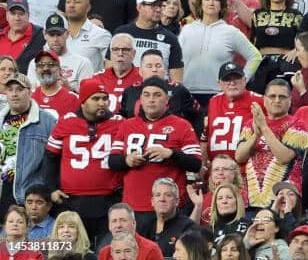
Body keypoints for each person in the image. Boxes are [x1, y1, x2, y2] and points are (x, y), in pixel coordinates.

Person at [109, 77, 202, 221]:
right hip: (134, 206)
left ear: (167, 100)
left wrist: (171, 154)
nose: (151, 99)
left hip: (168, 208)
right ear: (140, 99)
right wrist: (127, 160)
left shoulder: (182, 125)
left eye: (157, 95)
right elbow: (112, 161)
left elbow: (196, 164)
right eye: (147, 95)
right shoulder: (127, 125)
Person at [43, 78, 123, 244]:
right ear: (83, 101)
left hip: (108, 200)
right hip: (72, 201)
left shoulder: (119, 123)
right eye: (96, 98)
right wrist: (51, 189)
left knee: (106, 250)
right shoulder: (66, 121)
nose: (102, 103)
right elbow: (50, 157)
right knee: (73, 251)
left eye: (104, 98)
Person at [179, 0, 261, 108]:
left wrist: (241, 81)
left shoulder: (231, 32)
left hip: (218, 95)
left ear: (222, 5)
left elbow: (255, 56)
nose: (211, 3)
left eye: (216, 0)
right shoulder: (186, 30)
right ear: (200, 3)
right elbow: (175, 59)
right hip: (187, 93)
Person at [235, 79, 308, 208]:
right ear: (264, 99)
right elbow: (239, 157)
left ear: (290, 100)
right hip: (249, 200)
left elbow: (284, 157)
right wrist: (256, 136)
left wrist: (264, 127)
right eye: (272, 96)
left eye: (282, 97)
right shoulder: (250, 124)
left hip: (282, 201)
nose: (277, 100)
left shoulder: (297, 124)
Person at [0, 74, 56, 215]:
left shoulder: (48, 121)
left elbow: (55, 160)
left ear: (30, 92)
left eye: (19, 89)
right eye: (10, 89)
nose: (14, 94)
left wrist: (42, 187)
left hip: (29, 195)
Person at [118, 49, 203, 137]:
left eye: (158, 66)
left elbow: (199, 115)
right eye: (149, 66)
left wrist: (195, 138)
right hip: (136, 142)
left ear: (164, 70)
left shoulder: (178, 90)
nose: (154, 69)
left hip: (170, 142)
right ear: (140, 70)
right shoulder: (130, 91)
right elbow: (122, 119)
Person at [112, 0, 183, 82]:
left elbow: (176, 81)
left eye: (161, 5)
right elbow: (110, 71)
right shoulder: (121, 33)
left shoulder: (171, 39)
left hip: (157, 94)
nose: (158, 9)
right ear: (139, 7)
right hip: (125, 93)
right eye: (153, 5)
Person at [250, 0, 302, 94]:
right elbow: (252, 41)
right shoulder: (257, 14)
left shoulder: (296, 15)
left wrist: (296, 50)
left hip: (285, 63)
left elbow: (303, 40)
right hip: (261, 64)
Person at [202, 62, 263, 164]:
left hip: (247, 168)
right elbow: (205, 135)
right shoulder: (213, 101)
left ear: (244, 80)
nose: (232, 83)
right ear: (219, 83)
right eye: (227, 79)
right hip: (217, 168)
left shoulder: (259, 100)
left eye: (236, 78)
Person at [26, 14, 94, 93]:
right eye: (51, 35)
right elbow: (30, 95)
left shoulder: (83, 63)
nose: (55, 39)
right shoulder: (34, 63)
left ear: (67, 34)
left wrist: (69, 89)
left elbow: (88, 99)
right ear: (44, 35)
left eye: (59, 34)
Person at [141, 178, 195, 257]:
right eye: (158, 195)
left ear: (177, 201)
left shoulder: (188, 227)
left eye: (168, 195)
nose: (162, 199)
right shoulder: (145, 226)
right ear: (152, 201)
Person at [188, 155, 247, 226]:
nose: (220, 172)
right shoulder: (201, 198)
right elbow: (191, 229)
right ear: (211, 174)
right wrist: (198, 206)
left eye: (225, 169)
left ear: (234, 174)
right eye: (216, 169)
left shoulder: (243, 195)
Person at [63, 0, 111, 72]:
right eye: (68, 2)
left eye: (77, 2)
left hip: (90, 83)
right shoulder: (56, 34)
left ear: (88, 7)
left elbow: (109, 69)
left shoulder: (101, 35)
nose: (71, 5)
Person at [95, 34, 142, 114]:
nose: (120, 53)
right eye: (115, 49)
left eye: (125, 49)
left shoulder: (143, 77)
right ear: (110, 53)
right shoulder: (96, 78)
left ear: (134, 54)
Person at [97, 203, 164, 260]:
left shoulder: (151, 250)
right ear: (109, 226)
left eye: (123, 220)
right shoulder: (104, 253)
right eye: (114, 221)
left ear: (134, 224)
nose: (118, 225)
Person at [0, 0, 45, 73]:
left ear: (28, 15)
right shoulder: (1, 35)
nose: (17, 18)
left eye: (21, 14)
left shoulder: (41, 36)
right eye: (13, 14)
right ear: (7, 16)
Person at [30, 50, 80, 118]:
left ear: (59, 70)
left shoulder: (74, 99)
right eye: (41, 65)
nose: (45, 68)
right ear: (36, 70)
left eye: (51, 64)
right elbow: (16, 126)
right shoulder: (28, 97)